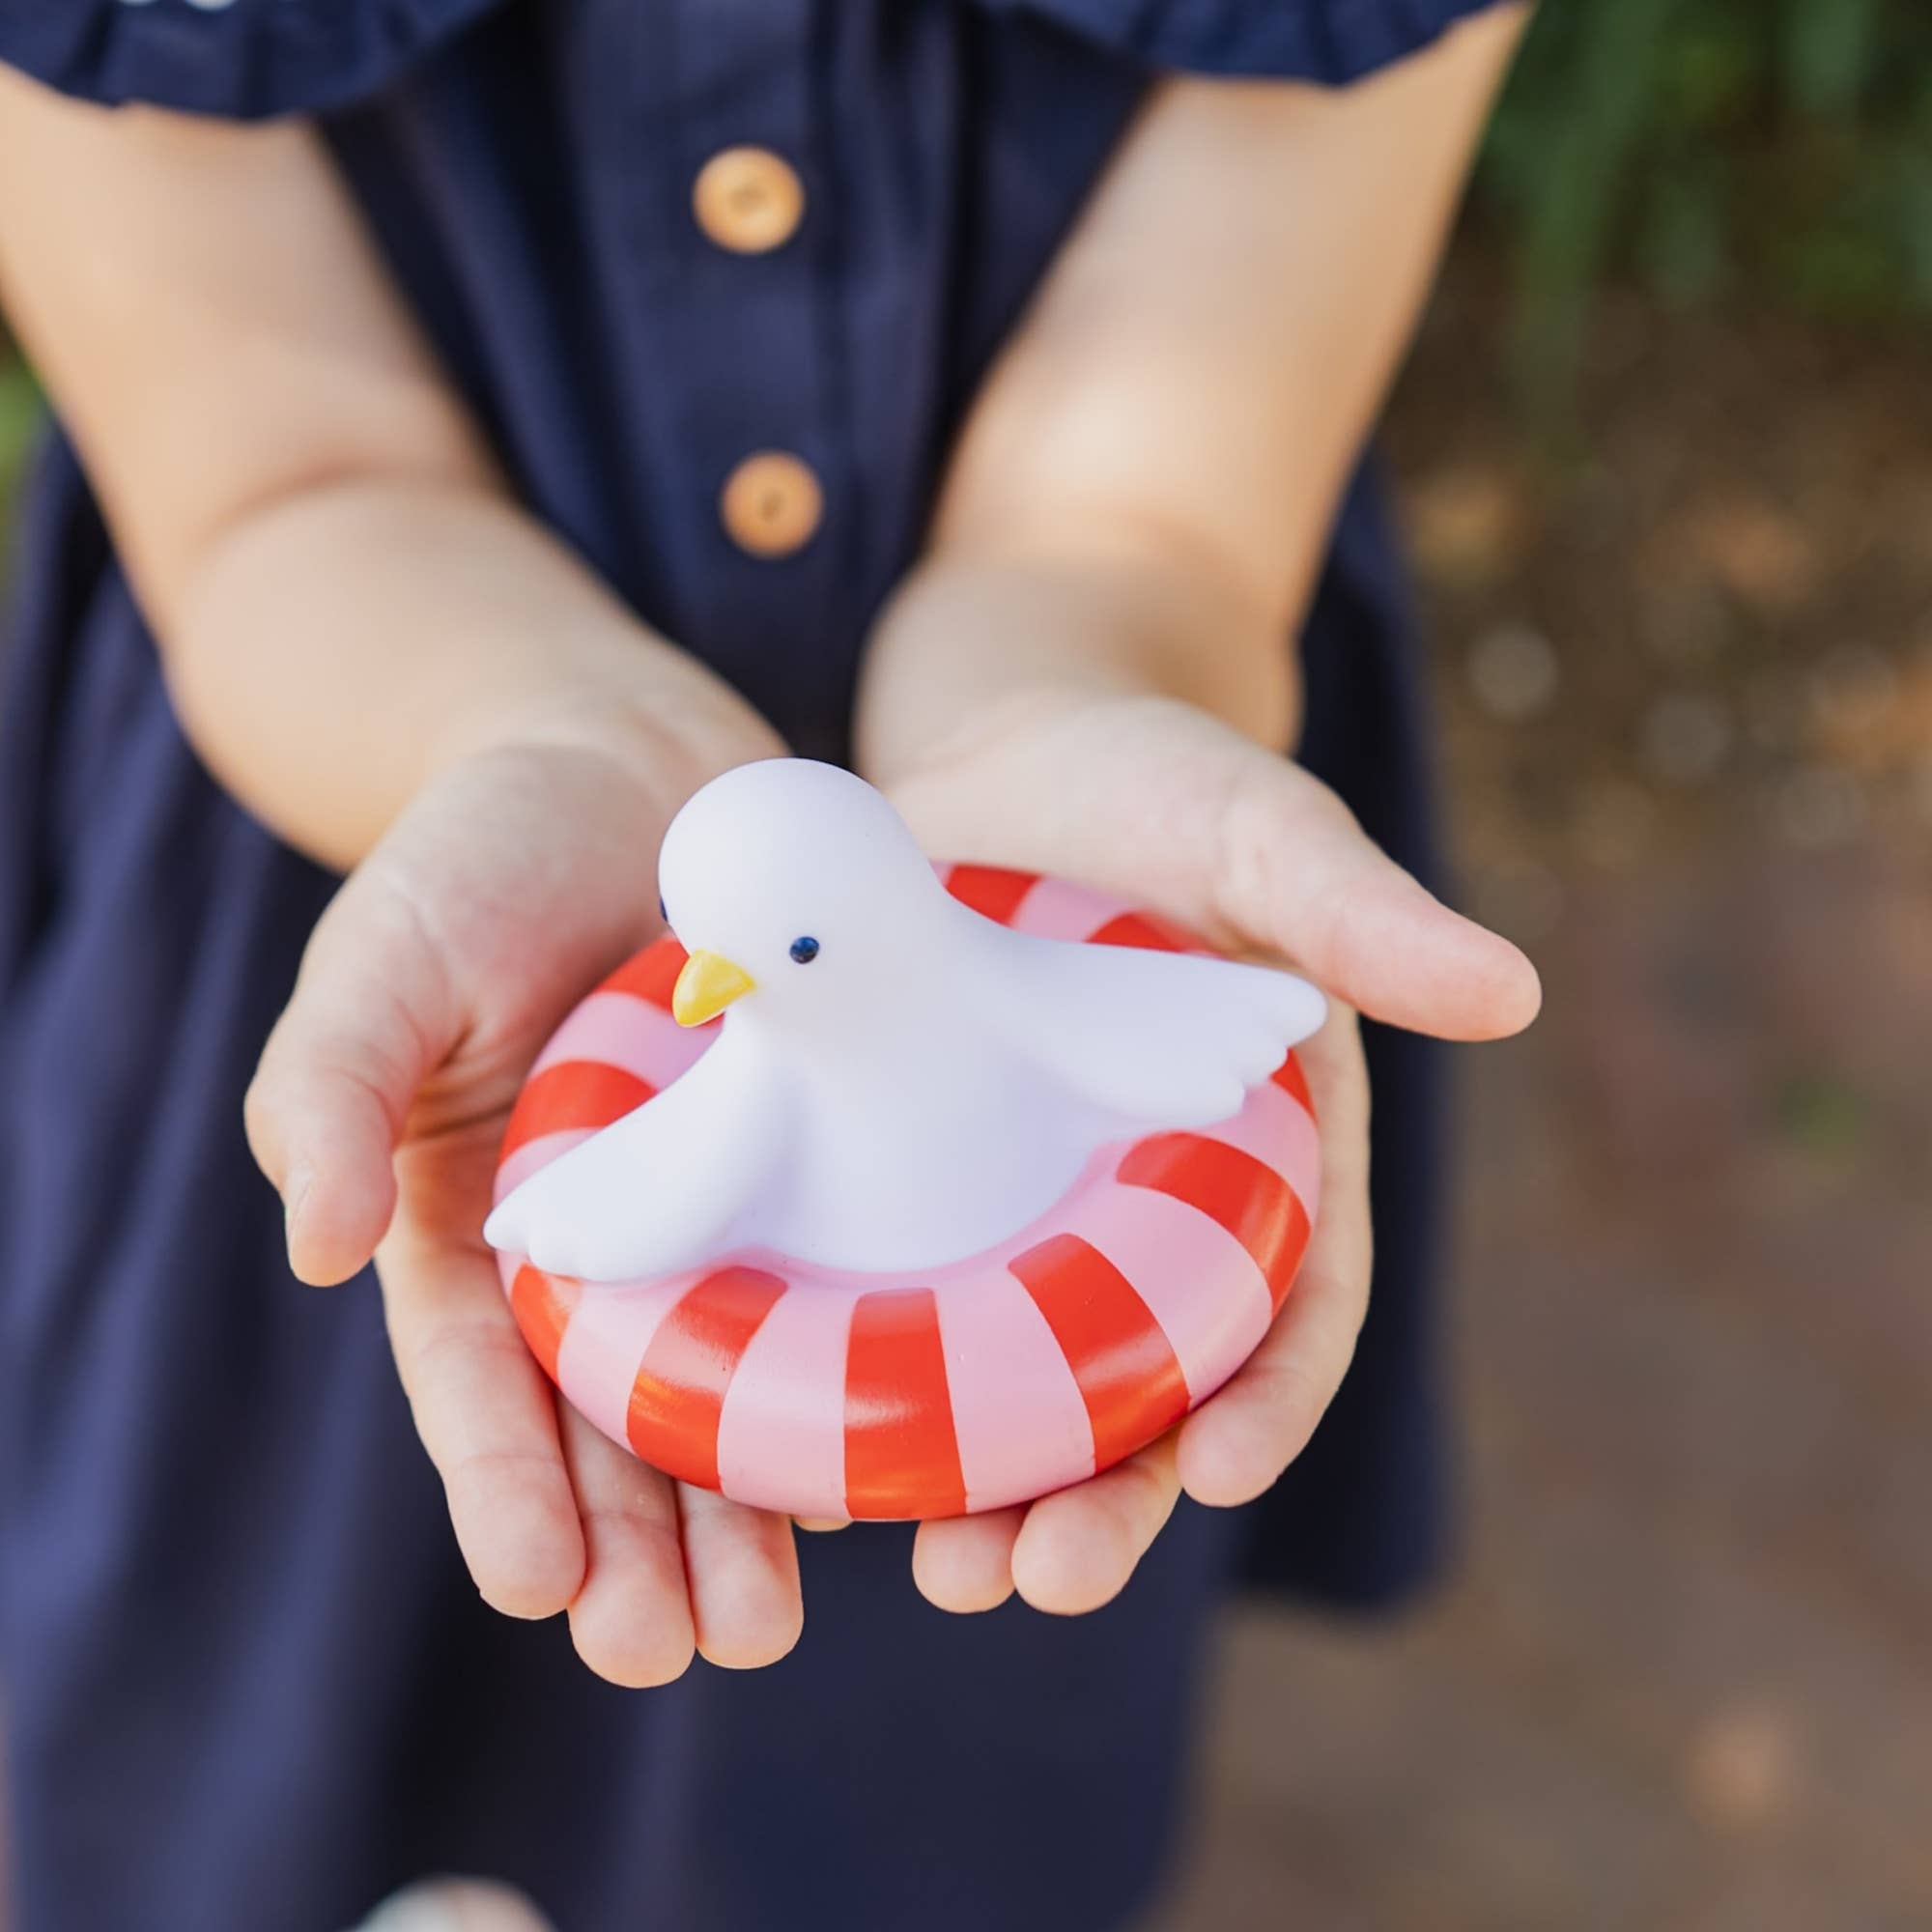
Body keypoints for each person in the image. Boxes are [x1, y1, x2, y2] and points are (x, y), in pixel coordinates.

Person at [0, 3, 1539, 1928]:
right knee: (296, 1722)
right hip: (376, 783)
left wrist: (1082, 655)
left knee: (895, 1780)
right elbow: (276, 481)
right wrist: (520, 736)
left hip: (1051, 809)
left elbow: (1149, 508)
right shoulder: (701, 1021)